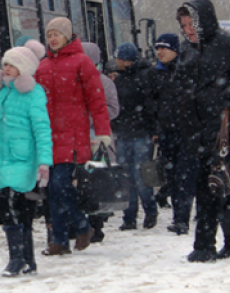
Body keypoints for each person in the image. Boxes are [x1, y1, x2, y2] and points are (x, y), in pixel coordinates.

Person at [176, 0, 230, 262]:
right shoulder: (188, 50)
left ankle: (204, 245)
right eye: (184, 25)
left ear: (205, 20)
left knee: (209, 185)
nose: (189, 29)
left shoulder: (229, 44)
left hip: (225, 126)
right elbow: (184, 87)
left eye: (192, 23)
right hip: (197, 128)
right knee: (224, 185)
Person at [0, 39, 52, 277]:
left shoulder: (34, 94)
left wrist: (44, 162)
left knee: (12, 207)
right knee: (19, 210)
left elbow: (42, 130)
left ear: (24, 69)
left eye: (13, 65)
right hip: (3, 162)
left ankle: (17, 259)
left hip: (24, 161)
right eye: (5, 64)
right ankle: (27, 260)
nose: (6, 68)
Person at [35, 17, 112, 256]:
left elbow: (97, 101)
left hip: (73, 137)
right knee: (54, 191)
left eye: (57, 34)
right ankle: (62, 238)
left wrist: (102, 132)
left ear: (68, 36)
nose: (53, 38)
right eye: (49, 35)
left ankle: (78, 227)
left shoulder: (82, 63)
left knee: (60, 186)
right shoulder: (43, 66)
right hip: (50, 138)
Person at [152, 33, 198, 235]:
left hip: (188, 133)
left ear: (175, 50)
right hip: (166, 134)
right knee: (171, 176)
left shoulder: (187, 71)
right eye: (157, 48)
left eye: (164, 48)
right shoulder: (156, 74)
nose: (160, 52)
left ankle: (182, 218)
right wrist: (156, 128)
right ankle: (178, 216)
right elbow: (151, 104)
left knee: (185, 175)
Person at [112, 42, 159, 230]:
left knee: (138, 176)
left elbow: (149, 106)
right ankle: (135, 215)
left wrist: (153, 129)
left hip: (137, 133)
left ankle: (140, 213)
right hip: (130, 132)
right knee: (133, 176)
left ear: (124, 59)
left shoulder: (134, 79)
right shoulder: (130, 78)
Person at [82, 42, 120, 243]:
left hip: (98, 138)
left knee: (96, 180)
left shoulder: (104, 82)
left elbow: (114, 109)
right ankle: (85, 223)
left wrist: (89, 117)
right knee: (81, 180)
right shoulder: (73, 80)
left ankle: (96, 225)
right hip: (78, 138)